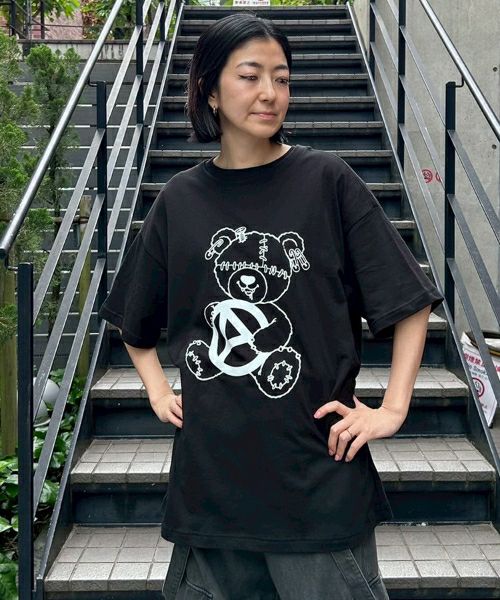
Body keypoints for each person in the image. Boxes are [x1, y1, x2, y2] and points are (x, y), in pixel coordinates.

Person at [98, 12, 444, 600]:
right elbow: (134, 319)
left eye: (282, 79)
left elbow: (409, 300)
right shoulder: (179, 200)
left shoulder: (327, 181)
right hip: (211, 494)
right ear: (209, 88)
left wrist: (392, 408)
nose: (269, 93)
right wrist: (158, 392)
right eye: (250, 76)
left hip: (316, 487)